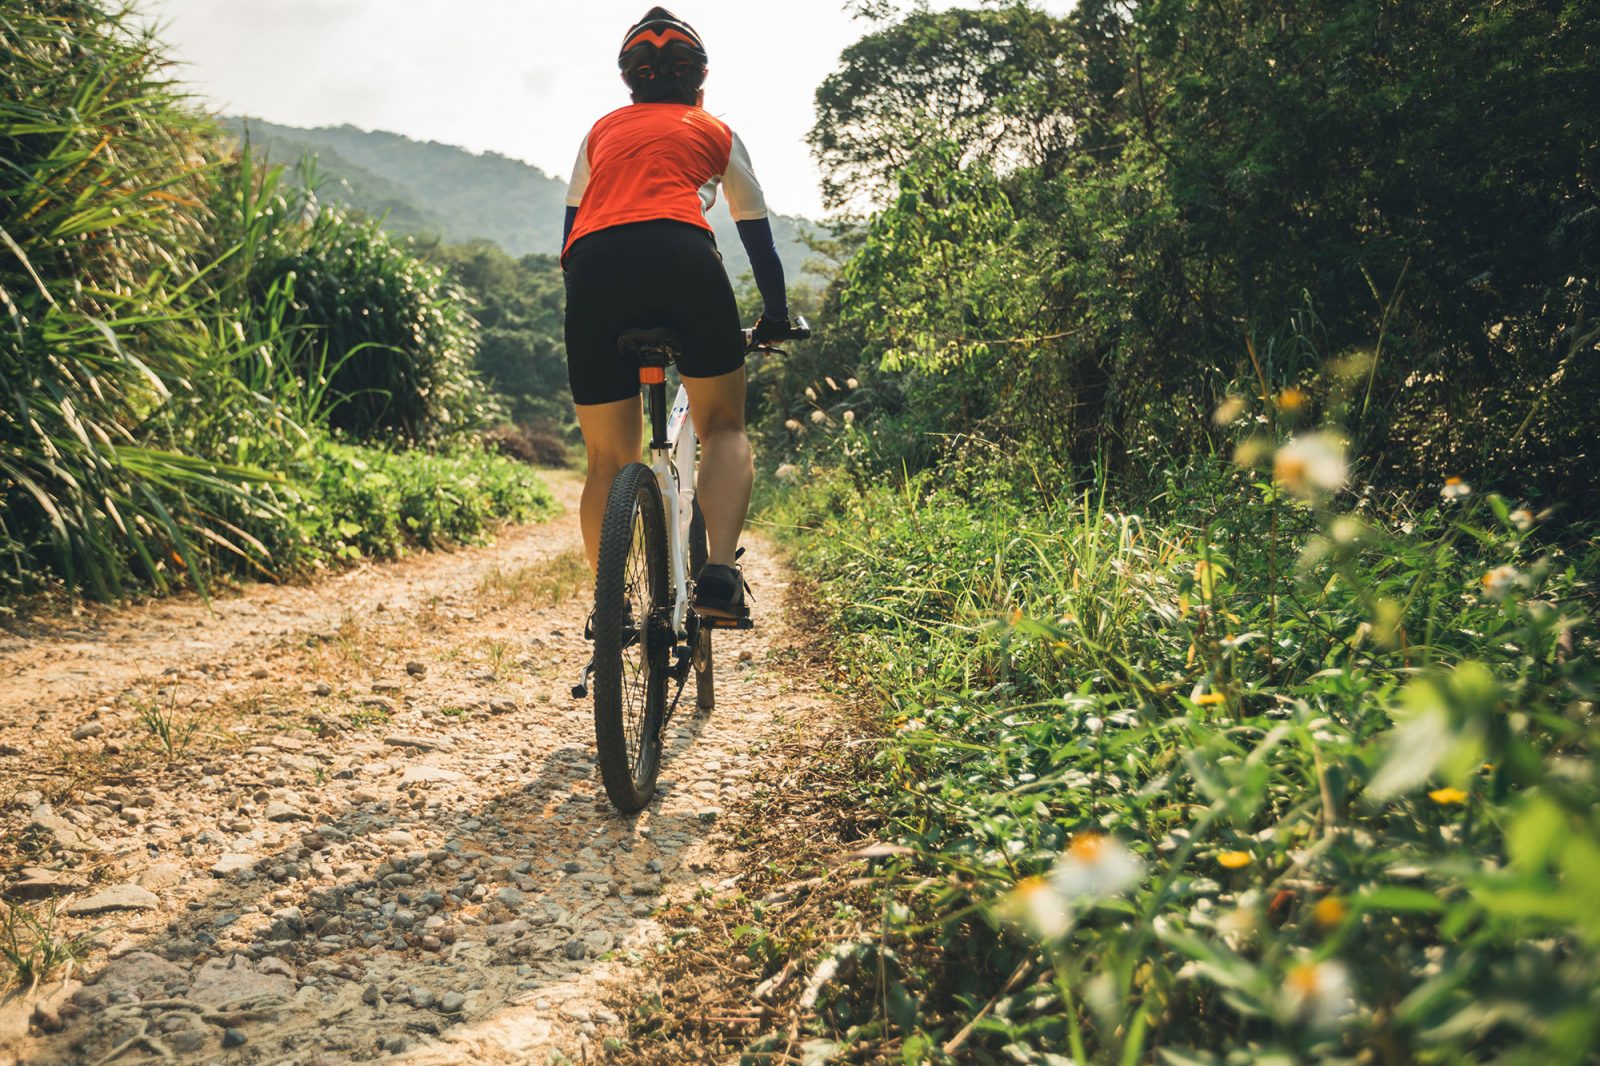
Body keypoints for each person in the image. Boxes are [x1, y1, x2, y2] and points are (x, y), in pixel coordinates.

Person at [561, 7, 792, 621]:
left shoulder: (601, 132)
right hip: (683, 258)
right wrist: (775, 314)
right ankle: (717, 575)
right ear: (700, 80)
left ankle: (608, 606)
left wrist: (588, 301)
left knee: (607, 459)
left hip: (594, 269)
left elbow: (570, 232)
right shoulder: (714, 129)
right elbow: (756, 237)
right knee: (723, 425)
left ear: (630, 83)